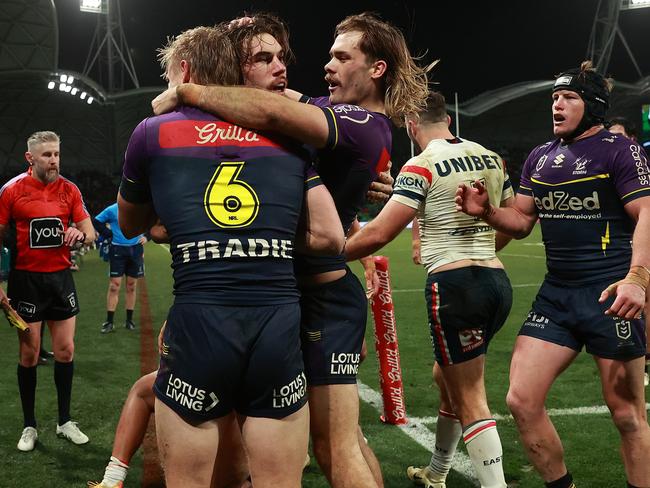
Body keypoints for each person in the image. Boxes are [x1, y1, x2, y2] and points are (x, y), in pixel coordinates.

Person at [152, 13, 429, 487]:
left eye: (341, 57)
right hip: (282, 299)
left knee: (333, 448)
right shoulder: (335, 113)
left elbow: (277, 111)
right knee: (339, 441)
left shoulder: (358, 121)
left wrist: (188, 91)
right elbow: (278, 100)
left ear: (375, 69)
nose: (325, 65)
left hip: (319, 301)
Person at [118, 25, 343, 488]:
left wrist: (185, 228)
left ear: (183, 72)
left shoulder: (152, 134)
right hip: (277, 323)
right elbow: (327, 235)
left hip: (200, 321)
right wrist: (271, 237)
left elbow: (131, 224)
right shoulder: (287, 133)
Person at [455, 61, 650, 488]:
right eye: (555, 99)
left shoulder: (620, 151)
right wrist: (487, 212)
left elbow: (647, 214)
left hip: (611, 296)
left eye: (569, 98)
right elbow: (523, 221)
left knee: (628, 417)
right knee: (521, 401)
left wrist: (638, 277)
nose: (557, 105)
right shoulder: (541, 157)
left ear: (594, 105)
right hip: (557, 296)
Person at [344, 91, 514, 488]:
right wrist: (482, 250)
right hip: (497, 283)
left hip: (457, 288)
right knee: (446, 378)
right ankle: (436, 474)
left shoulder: (420, 164)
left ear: (411, 125)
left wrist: (332, 253)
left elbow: (380, 233)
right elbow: (509, 221)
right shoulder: (491, 157)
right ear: (449, 120)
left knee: (471, 396)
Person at [0, 131, 95, 452]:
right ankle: (29, 426)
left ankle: (65, 421)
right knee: (29, 354)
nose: (54, 160)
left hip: (60, 281)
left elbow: (90, 232)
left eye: (56, 154)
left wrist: (77, 234)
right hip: (25, 282)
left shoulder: (70, 190)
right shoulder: (12, 191)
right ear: (30, 158)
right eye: (47, 155)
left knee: (66, 350)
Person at [605, 117, 650, 387]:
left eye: (619, 135)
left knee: (644, 299)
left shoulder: (639, 162)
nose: (614, 140)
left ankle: (643, 360)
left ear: (631, 138)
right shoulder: (611, 165)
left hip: (642, 240)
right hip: (621, 243)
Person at [93, 202, 147, 333]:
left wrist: (147, 236)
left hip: (135, 250)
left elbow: (151, 221)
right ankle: (109, 322)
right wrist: (108, 234)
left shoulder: (139, 207)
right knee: (114, 286)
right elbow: (96, 221)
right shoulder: (112, 209)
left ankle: (129, 321)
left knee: (131, 285)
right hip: (117, 250)